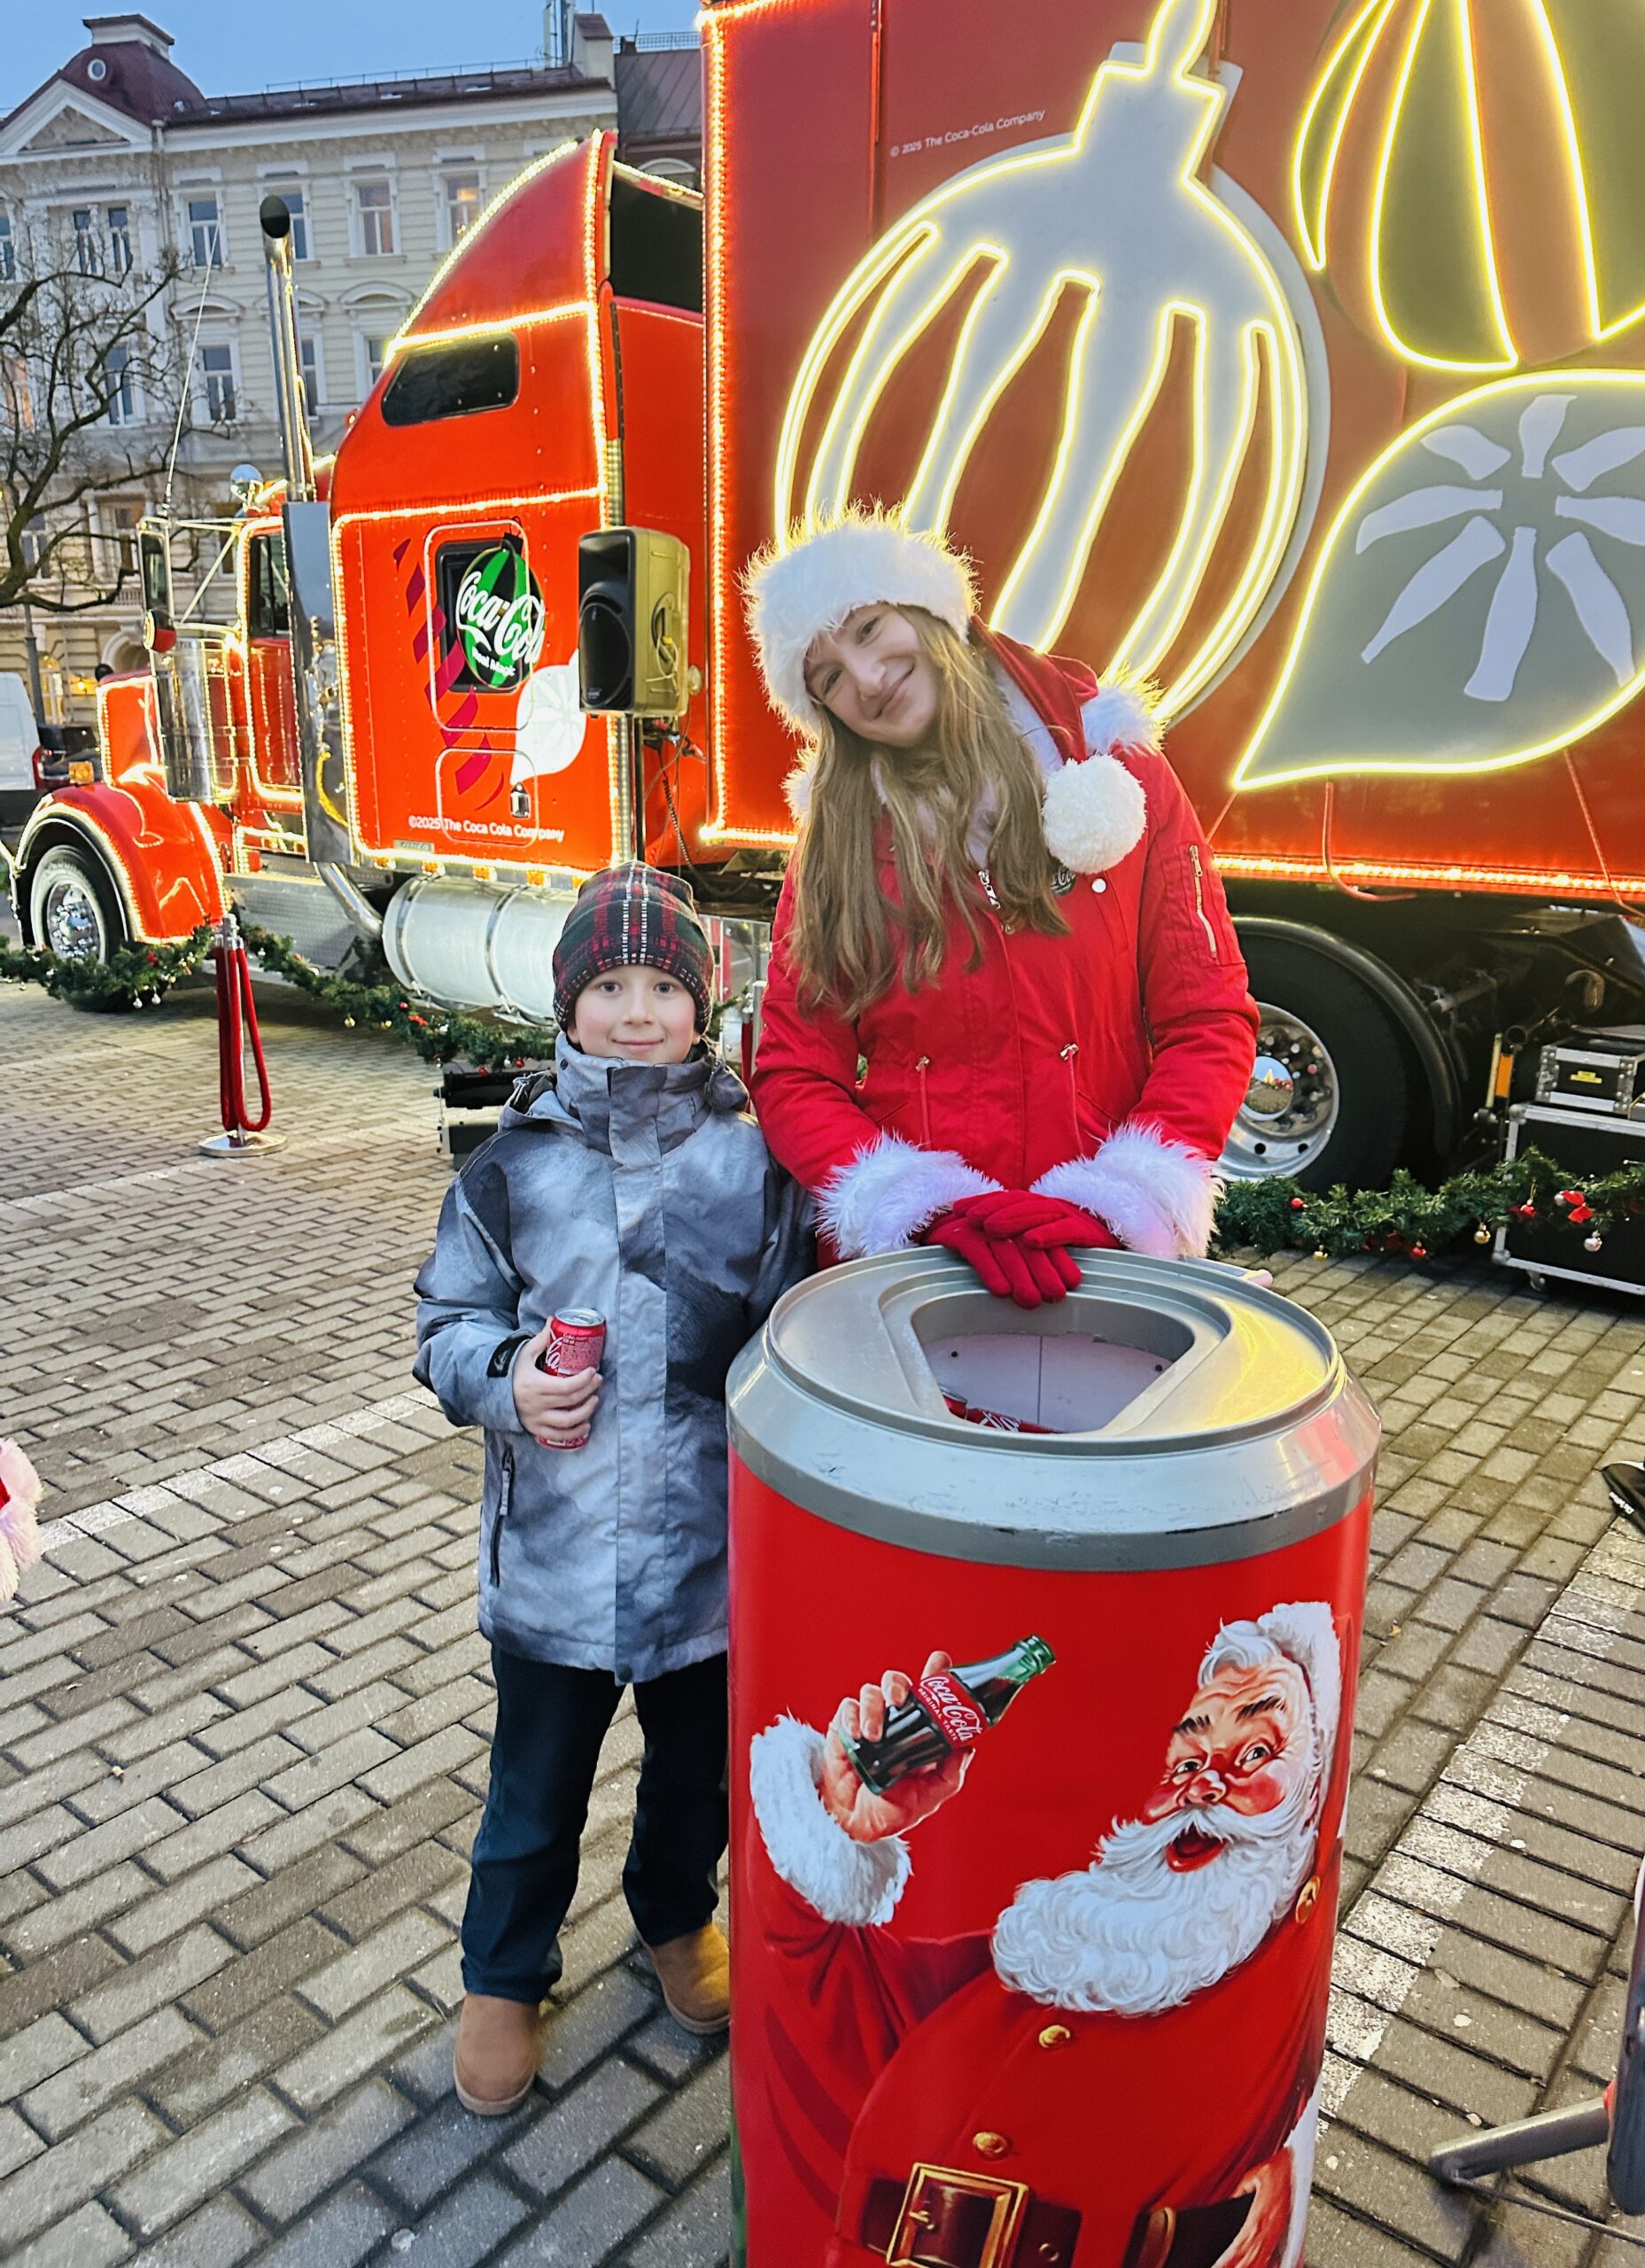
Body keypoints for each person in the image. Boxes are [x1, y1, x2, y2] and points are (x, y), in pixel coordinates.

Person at [415, 864, 809, 2115]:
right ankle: (502, 1972)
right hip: (554, 1560)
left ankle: (674, 1916)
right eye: (609, 987)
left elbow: (792, 1338)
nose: (637, 1013)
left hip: (707, 1563)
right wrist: (503, 1376)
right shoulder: (509, 1167)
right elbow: (444, 1322)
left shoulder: (757, 1168)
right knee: (533, 1791)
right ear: (568, 1004)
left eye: (663, 988)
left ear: (704, 1004)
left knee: (695, 1780)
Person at [743, 508, 1259, 1301]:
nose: (869, 680)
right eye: (830, 679)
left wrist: (1122, 1198)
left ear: (929, 610)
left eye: (871, 628)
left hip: (1103, 1263)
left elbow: (1209, 1016)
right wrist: (922, 1208)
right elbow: (793, 1070)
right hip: (915, 1275)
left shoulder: (1117, 777)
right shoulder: (834, 847)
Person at [744, 1604, 1347, 2268]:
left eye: (1257, 1753)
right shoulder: (1061, 1950)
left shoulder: (1265, 1978)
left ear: (1314, 1794)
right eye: (1185, 1762)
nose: (1202, 1785)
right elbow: (817, 1967)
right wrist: (840, 1818)